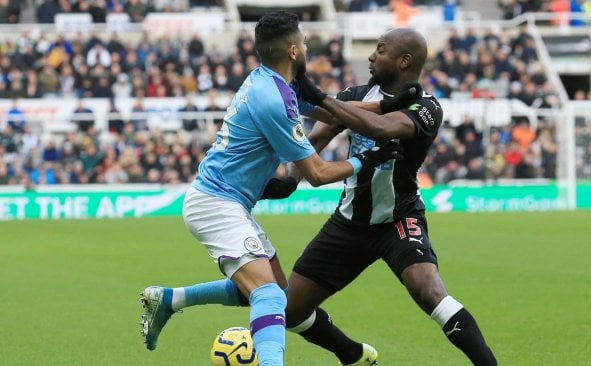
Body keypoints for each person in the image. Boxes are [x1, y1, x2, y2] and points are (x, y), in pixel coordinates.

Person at [139, 11, 402, 366]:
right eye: (305, 42)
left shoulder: (275, 83)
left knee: (275, 292)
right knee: (268, 296)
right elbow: (319, 173)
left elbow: (338, 114)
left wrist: (390, 106)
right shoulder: (273, 98)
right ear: (293, 51)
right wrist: (366, 161)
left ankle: (170, 300)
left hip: (225, 200)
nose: (308, 46)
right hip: (216, 203)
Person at [283, 28, 498, 366]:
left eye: (379, 50)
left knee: (430, 291)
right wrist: (291, 179)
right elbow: (320, 136)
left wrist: (325, 100)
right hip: (349, 222)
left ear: (404, 60)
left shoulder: (427, 107)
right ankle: (352, 354)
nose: (371, 56)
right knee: (290, 311)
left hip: (399, 218)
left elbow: (380, 127)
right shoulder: (355, 93)